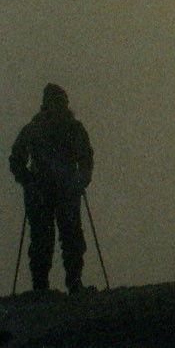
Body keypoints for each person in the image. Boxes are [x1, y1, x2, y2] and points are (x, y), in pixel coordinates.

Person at [9, 85, 93, 294]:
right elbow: (16, 160)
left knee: (66, 237)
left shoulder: (45, 129)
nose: (59, 105)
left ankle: (67, 283)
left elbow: (86, 158)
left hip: (56, 192)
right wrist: (29, 181)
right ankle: (47, 285)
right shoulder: (52, 129)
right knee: (46, 239)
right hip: (46, 193)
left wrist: (81, 179)